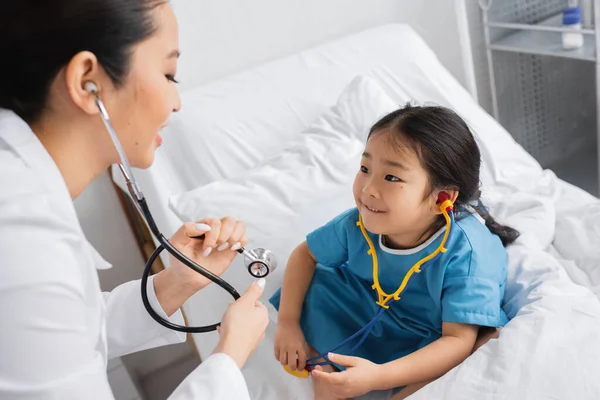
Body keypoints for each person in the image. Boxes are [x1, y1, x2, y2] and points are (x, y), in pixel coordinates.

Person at [0, 1, 269, 399]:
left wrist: (175, 283)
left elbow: (60, 332)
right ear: (88, 82)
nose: (177, 102)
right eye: (168, 74)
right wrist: (229, 358)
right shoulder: (23, 243)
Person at [270, 104, 519, 399]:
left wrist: (378, 377)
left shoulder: (467, 253)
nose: (368, 190)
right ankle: (329, 369)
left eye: (391, 178)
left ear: (441, 197)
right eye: (365, 169)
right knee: (315, 284)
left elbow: (457, 340)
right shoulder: (358, 223)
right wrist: (288, 324)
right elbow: (305, 254)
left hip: (434, 335)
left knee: (476, 347)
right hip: (374, 310)